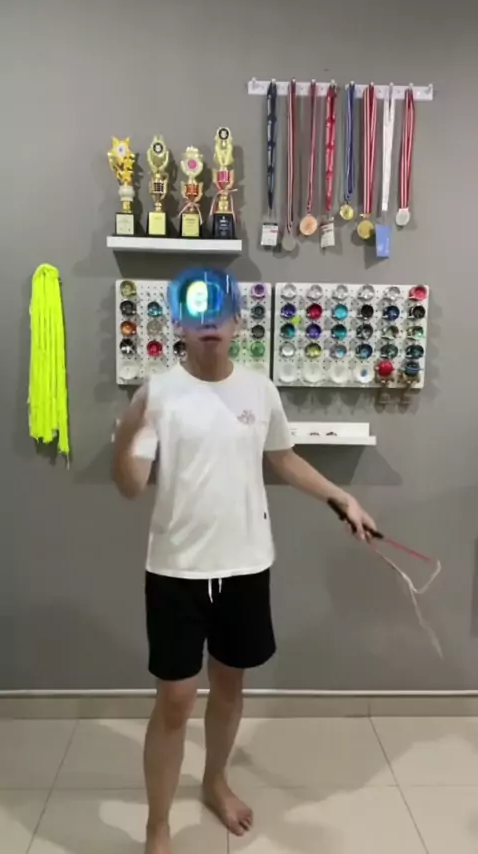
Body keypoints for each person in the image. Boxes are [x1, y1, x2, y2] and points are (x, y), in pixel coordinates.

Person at [113, 293, 376, 854]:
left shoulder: (260, 390)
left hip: (246, 566)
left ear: (237, 323)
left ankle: (215, 781)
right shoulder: (159, 394)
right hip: (177, 570)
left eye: (219, 312)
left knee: (230, 684)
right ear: (178, 324)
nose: (209, 322)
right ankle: (158, 826)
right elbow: (131, 484)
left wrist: (342, 498)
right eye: (196, 313)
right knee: (176, 699)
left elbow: (284, 458)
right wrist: (126, 434)